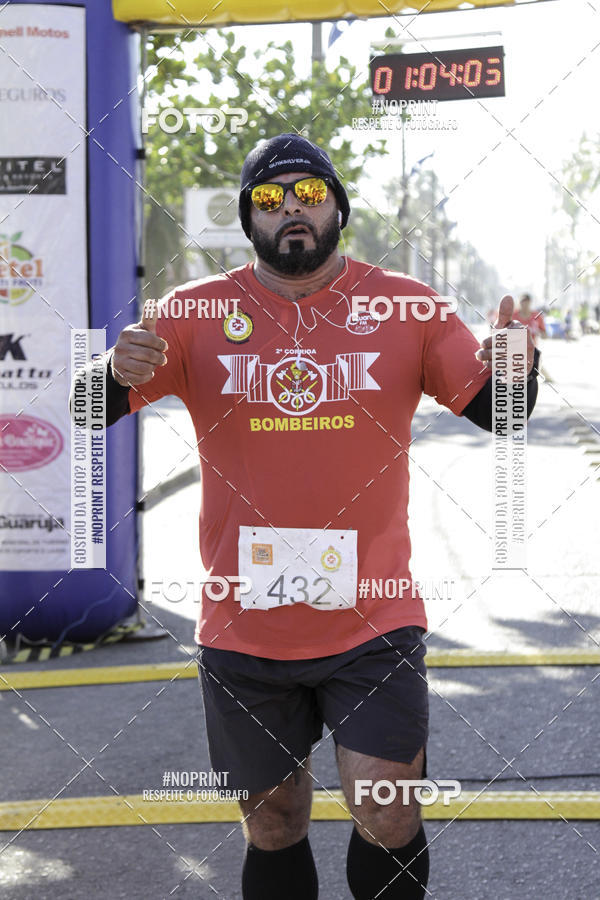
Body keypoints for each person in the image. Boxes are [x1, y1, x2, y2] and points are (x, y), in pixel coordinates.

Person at [71, 133, 538, 899]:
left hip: (374, 619)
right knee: (276, 820)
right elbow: (88, 411)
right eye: (268, 196)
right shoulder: (195, 313)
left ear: (337, 208)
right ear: (249, 220)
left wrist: (519, 367)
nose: (290, 206)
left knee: (387, 812)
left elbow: (503, 412)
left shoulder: (407, 306)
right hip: (243, 623)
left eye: (309, 192)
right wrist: (109, 373)